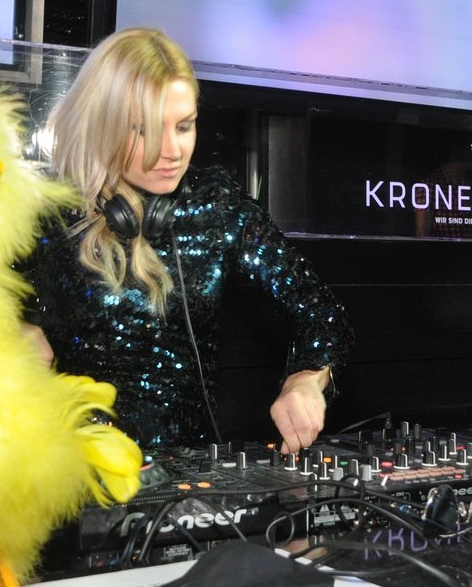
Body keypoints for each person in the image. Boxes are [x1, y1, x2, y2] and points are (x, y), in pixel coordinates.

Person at [22, 27, 353, 453]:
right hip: (74, 467)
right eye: (144, 130)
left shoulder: (214, 203)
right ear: (102, 125)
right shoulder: (49, 213)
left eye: (184, 126)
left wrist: (305, 380)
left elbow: (321, 312)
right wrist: (12, 331)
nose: (172, 151)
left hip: (191, 471)